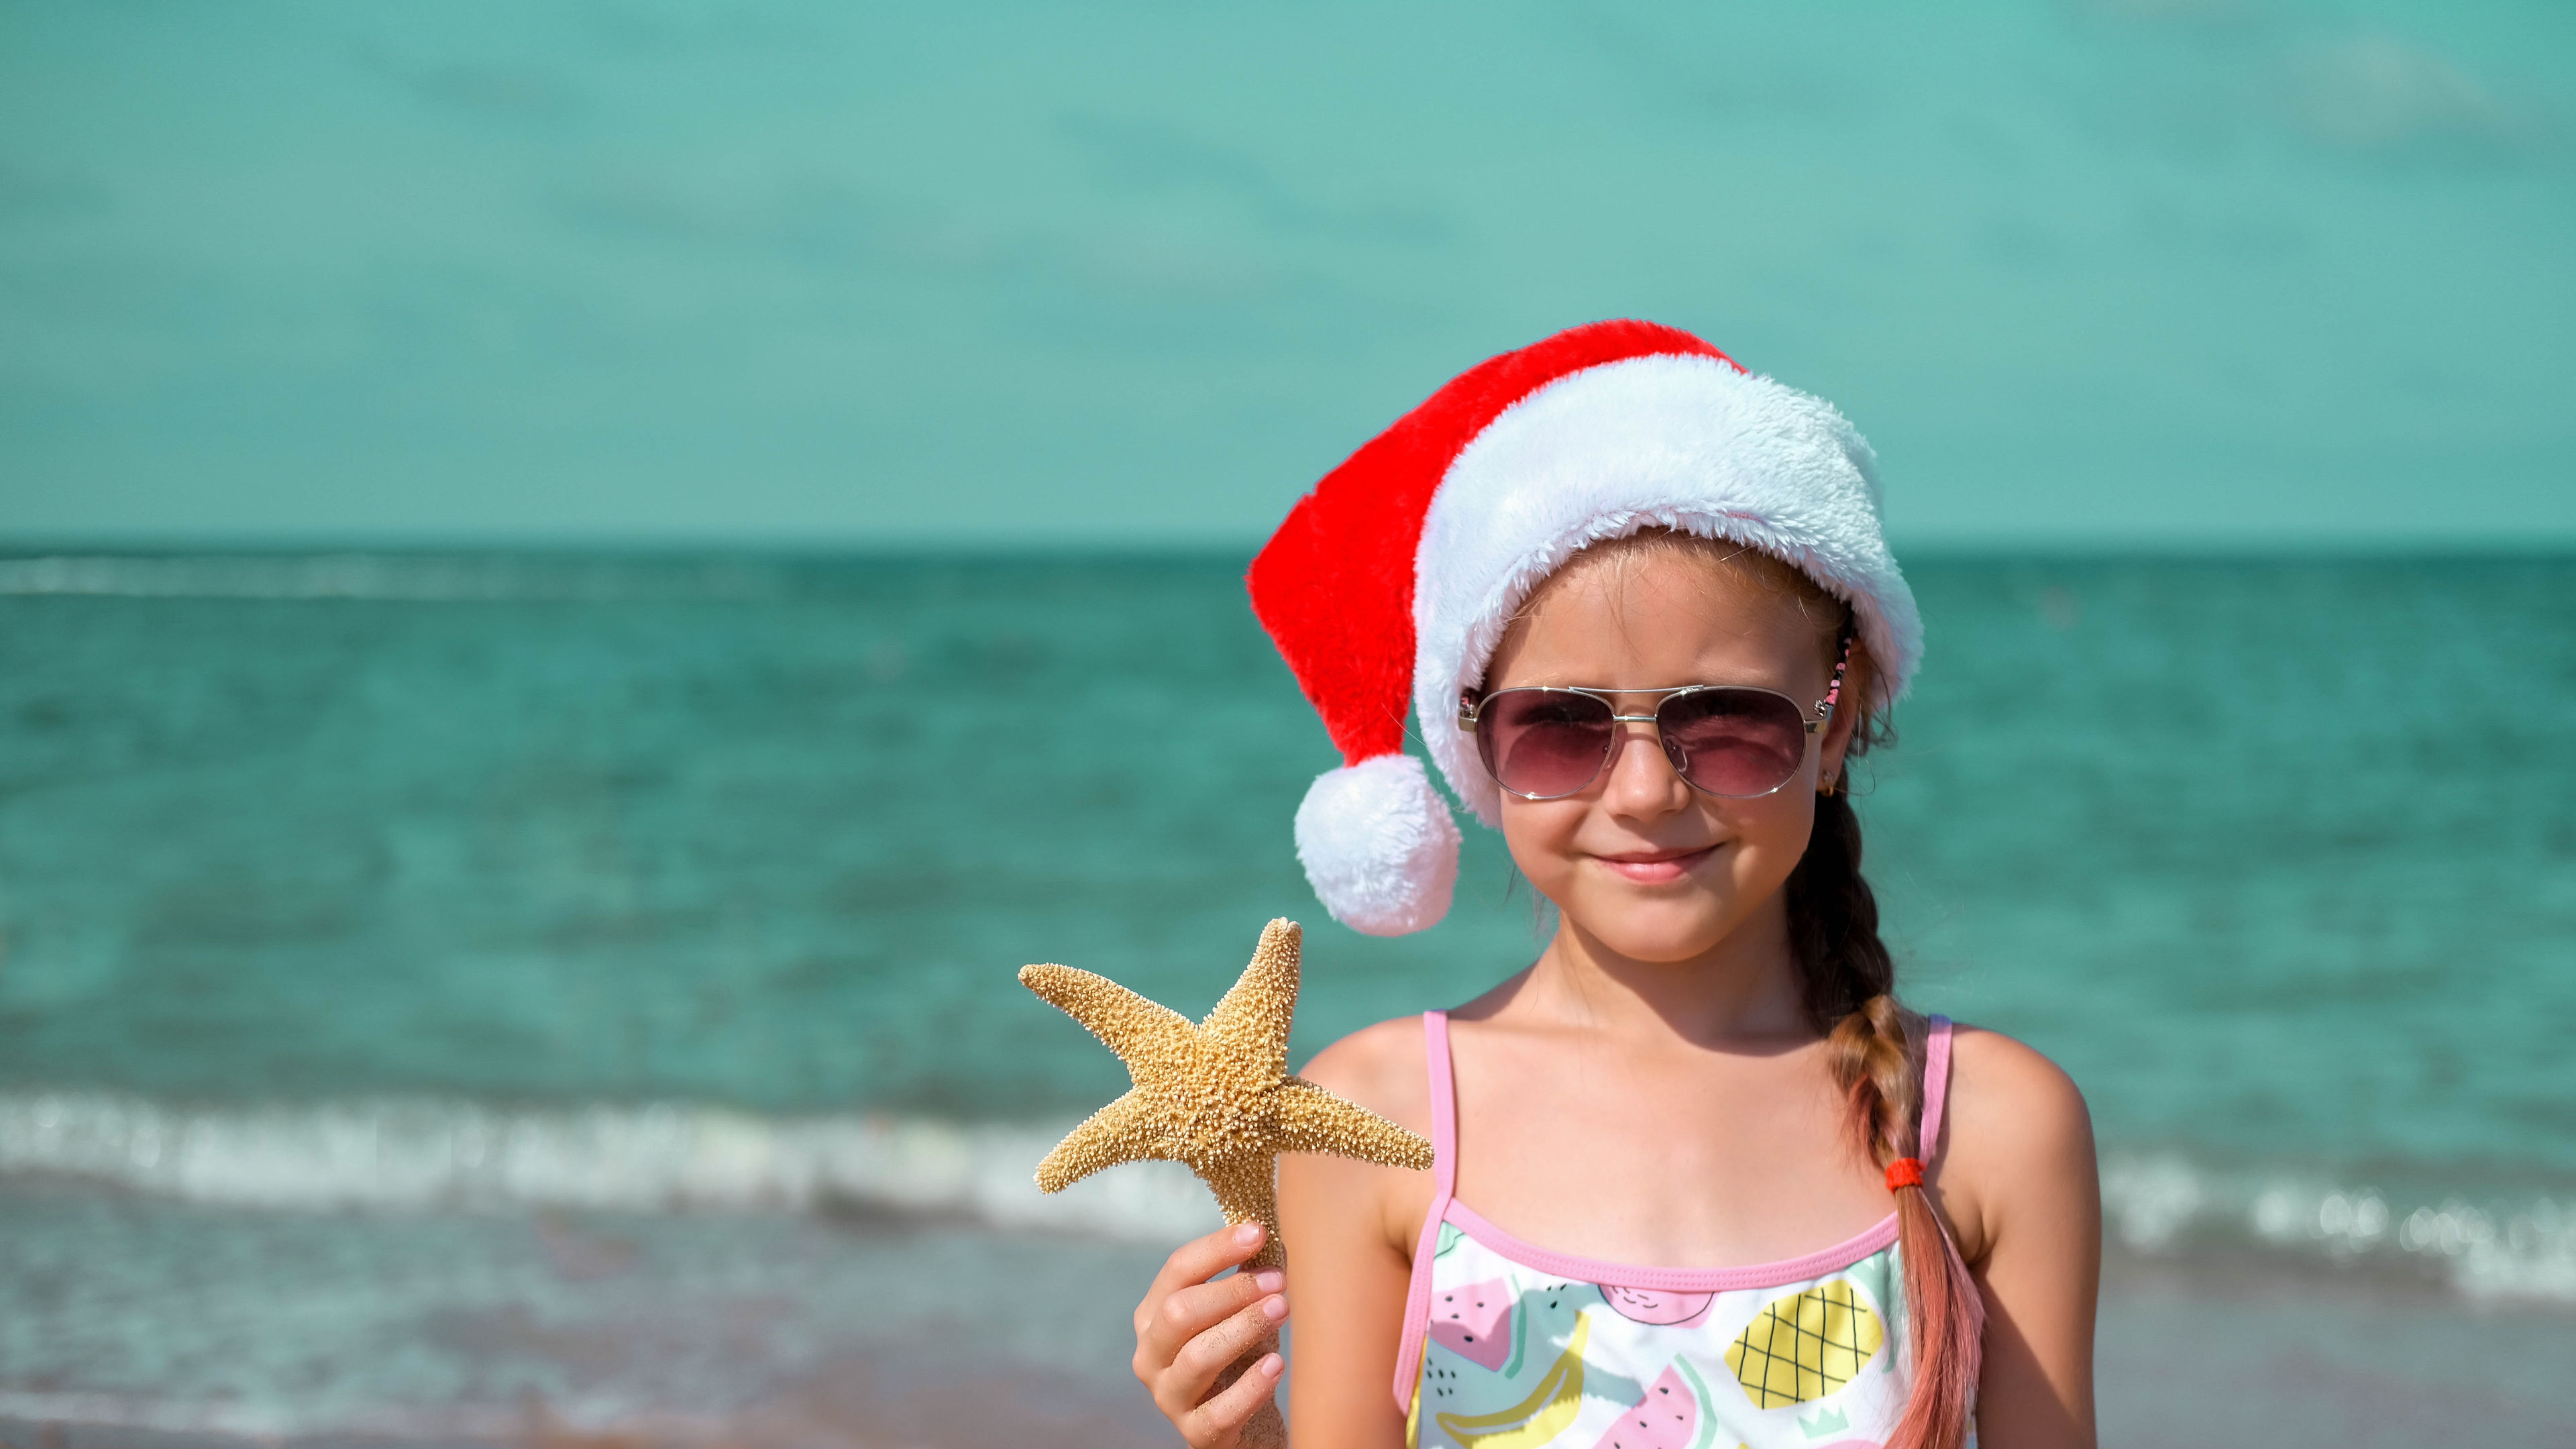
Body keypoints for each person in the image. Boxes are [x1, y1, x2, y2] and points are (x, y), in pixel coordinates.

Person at [1131, 323, 2099, 1448]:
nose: (1643, 792)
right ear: (1476, 747)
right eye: (1559, 727)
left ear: (1838, 724)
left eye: (1728, 721)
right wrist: (1239, 1435)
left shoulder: (1984, 1129)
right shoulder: (1374, 1121)